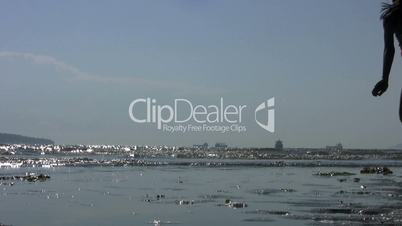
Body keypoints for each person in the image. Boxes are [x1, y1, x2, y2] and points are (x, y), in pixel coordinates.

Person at [372, 0, 402, 123]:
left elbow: (389, 50)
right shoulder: (391, 17)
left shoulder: (391, 17)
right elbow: (389, 49)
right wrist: (385, 79)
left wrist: (385, 79)